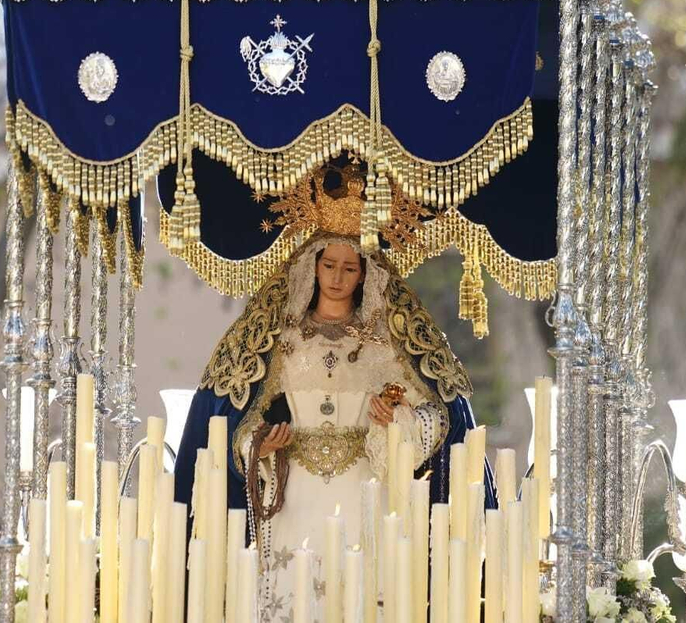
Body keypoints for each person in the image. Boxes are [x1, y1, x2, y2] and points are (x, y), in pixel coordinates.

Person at [172, 162, 491, 623]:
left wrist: (393, 421)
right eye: (329, 265)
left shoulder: (388, 342)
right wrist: (263, 444)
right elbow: (247, 420)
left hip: (364, 490)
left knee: (359, 594)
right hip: (293, 497)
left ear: (364, 274)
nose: (338, 277)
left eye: (349, 268)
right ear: (313, 265)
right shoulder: (282, 337)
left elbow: (435, 418)